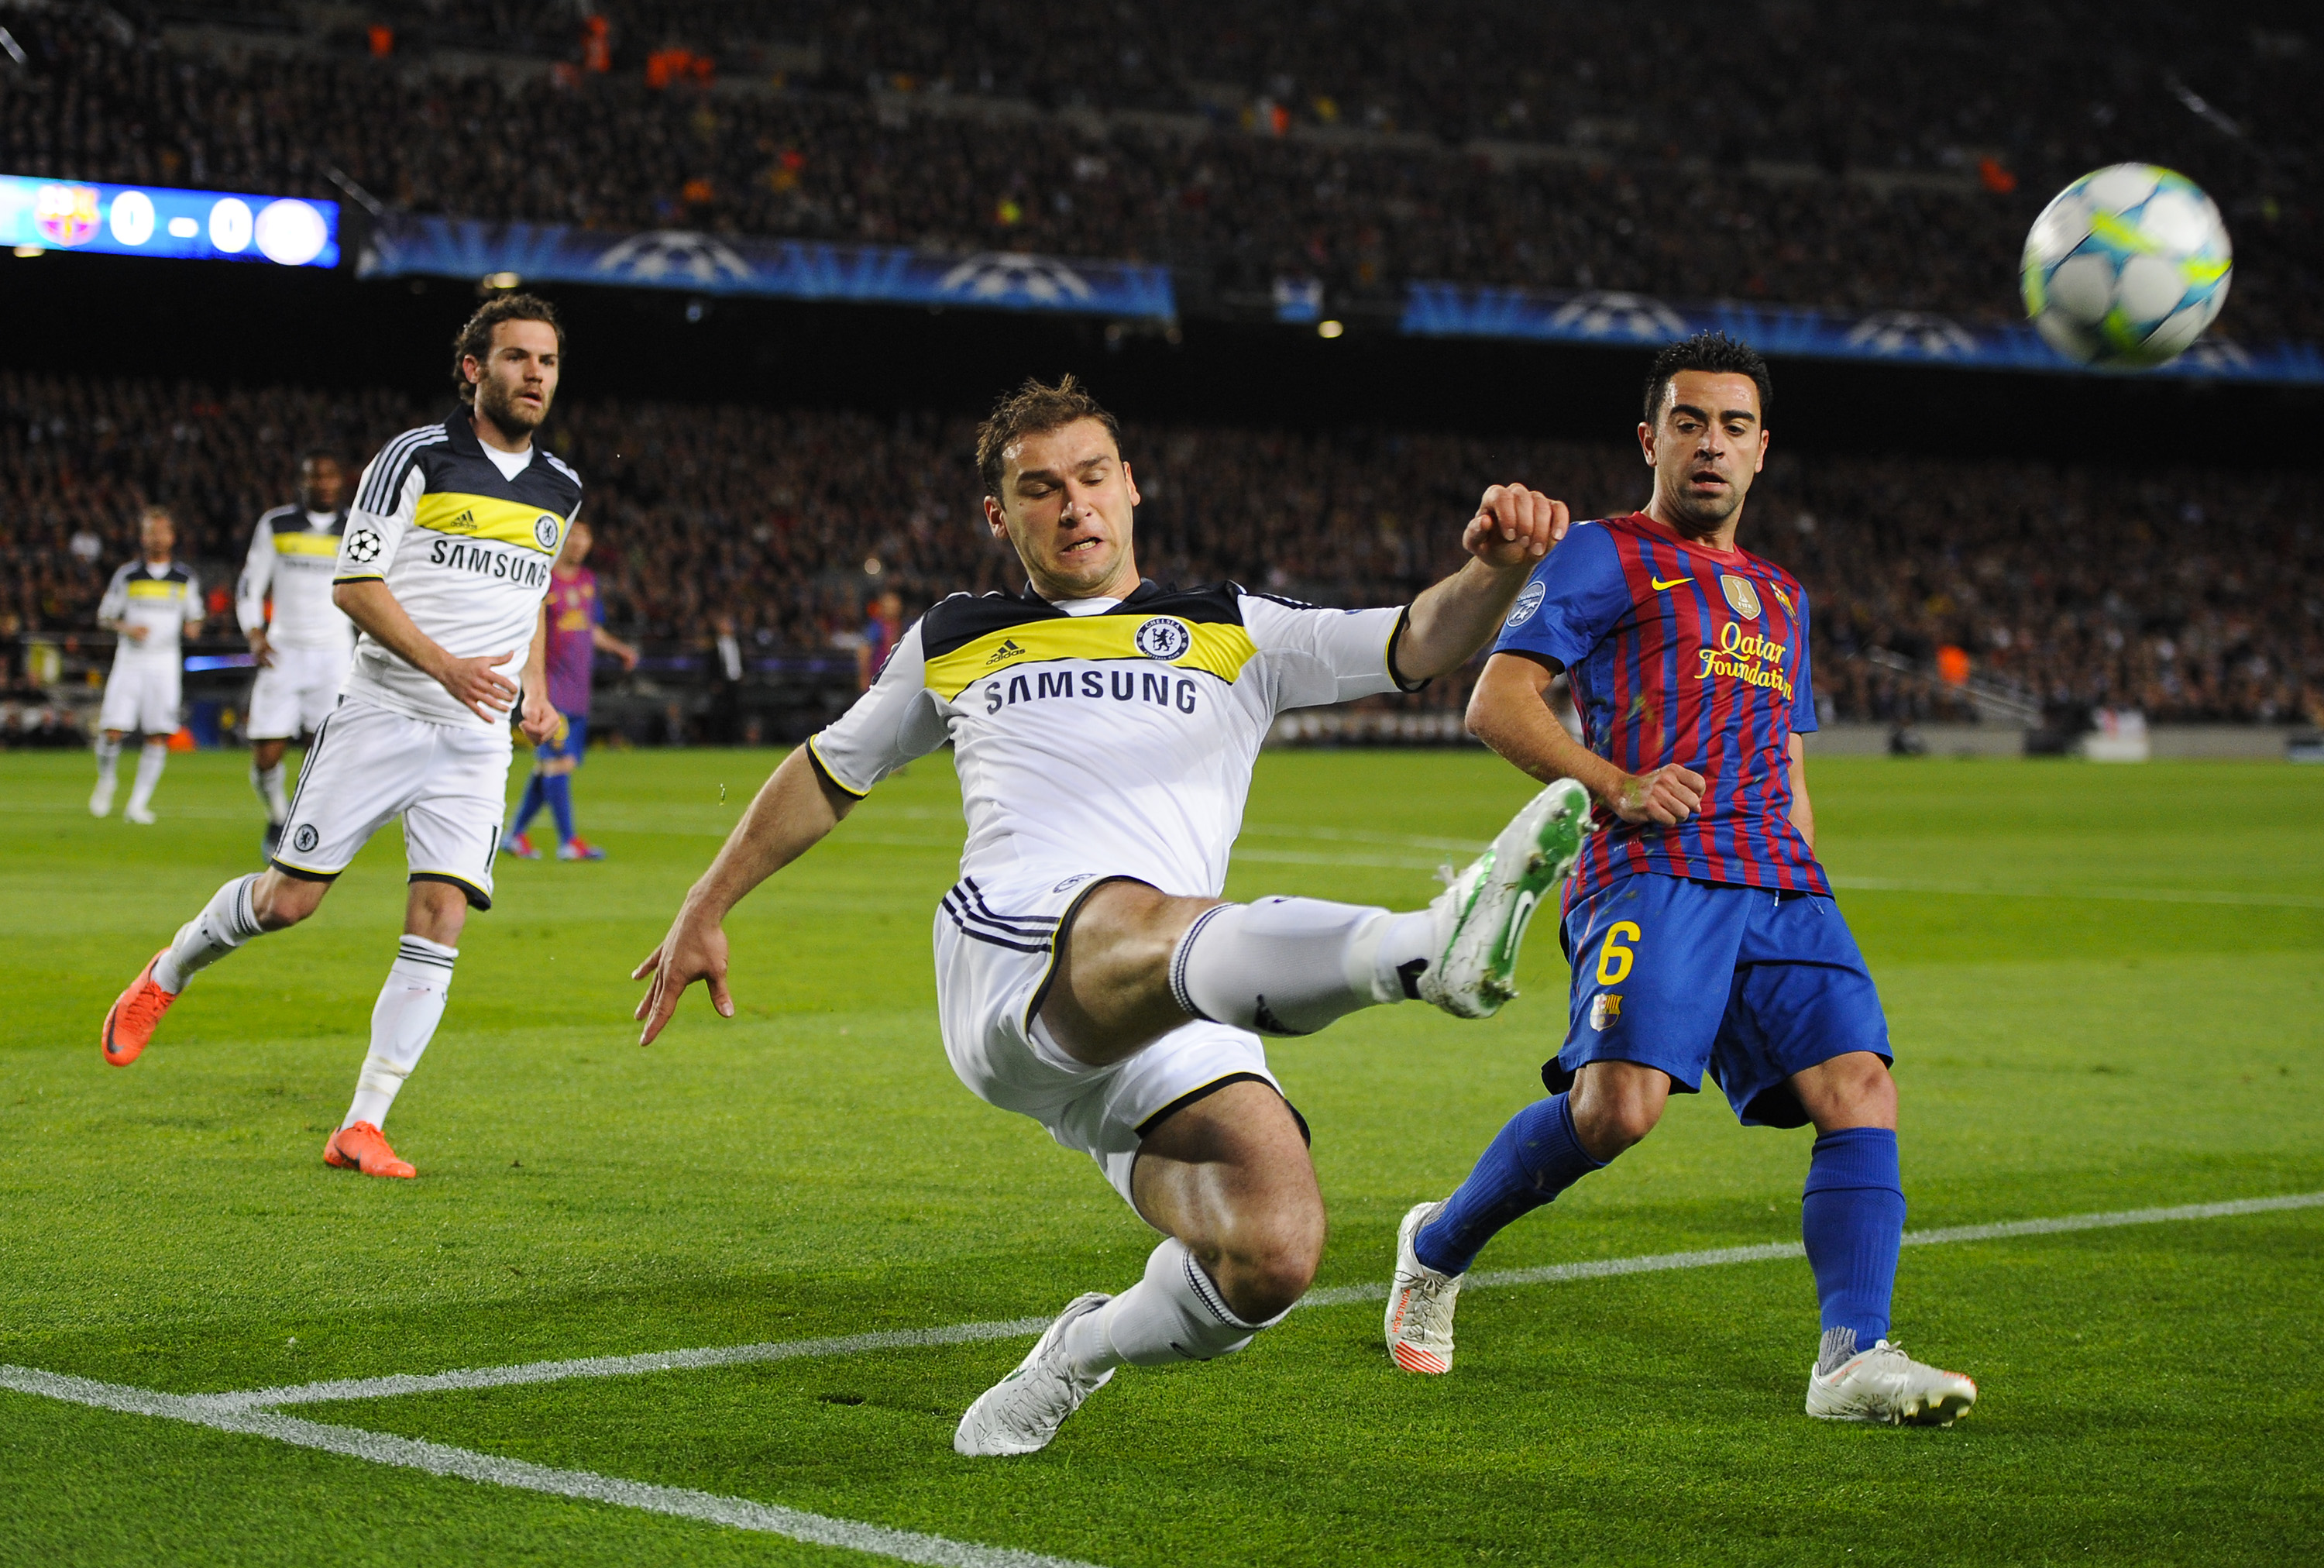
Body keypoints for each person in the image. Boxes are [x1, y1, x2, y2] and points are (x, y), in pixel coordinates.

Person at [631, 375, 1591, 1456]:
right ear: (1000, 518)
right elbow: (828, 769)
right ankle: (1422, 949)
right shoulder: (956, 636)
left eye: (1092, 478)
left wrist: (1494, 570)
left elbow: (1415, 639)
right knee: (1143, 914)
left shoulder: (1233, 626)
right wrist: (708, 903)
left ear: (1131, 486)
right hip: (1014, 958)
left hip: (1185, 986)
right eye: (1040, 490)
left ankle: (1075, 1356)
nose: (1074, 504)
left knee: (1270, 1257)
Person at [1380, 332, 1978, 1426]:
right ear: (1651, 440)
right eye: (1691, 424)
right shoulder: (1606, 554)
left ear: (1762, 452)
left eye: (1735, 427)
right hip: (1653, 869)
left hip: (1780, 881)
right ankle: (1435, 1246)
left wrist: (1805, 867)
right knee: (1616, 1114)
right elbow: (1495, 703)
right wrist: (1612, 781)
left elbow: (1786, 762)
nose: (1713, 446)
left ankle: (1851, 1356)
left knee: (1861, 1090)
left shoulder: (1783, 597)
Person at [98, 294, 579, 1181]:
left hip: (477, 737)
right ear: (474, 369)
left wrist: (536, 693)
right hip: (385, 713)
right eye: (516, 357)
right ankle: (169, 969)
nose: (535, 374)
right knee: (289, 902)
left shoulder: (560, 485)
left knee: (441, 917)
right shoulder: (414, 459)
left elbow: (532, 600)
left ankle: (363, 1123)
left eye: (547, 360)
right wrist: (443, 665)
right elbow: (355, 585)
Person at [237, 452, 353, 855]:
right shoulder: (276, 524)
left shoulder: (357, 526)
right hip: (282, 651)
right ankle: (277, 816)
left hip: (336, 654)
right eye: (312, 476)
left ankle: (308, 829)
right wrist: (254, 632)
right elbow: (250, 584)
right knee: (266, 753)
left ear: (341, 480)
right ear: (300, 481)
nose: (321, 483)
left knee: (326, 753)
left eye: (328, 475)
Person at [503, 519, 638, 861]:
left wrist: (619, 649)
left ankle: (516, 835)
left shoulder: (588, 582)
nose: (579, 543)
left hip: (579, 687)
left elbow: (590, 629)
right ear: (560, 540)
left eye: (585, 537)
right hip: (550, 687)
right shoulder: (541, 578)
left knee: (550, 765)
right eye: (573, 536)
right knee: (558, 762)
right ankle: (569, 841)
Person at [91, 505, 202, 824]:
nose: (157, 537)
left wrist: (194, 626)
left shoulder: (184, 578)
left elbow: (195, 614)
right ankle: (107, 780)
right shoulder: (128, 575)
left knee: (158, 733)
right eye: (151, 531)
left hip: (165, 662)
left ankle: (137, 804)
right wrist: (128, 628)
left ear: (172, 537)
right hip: (130, 660)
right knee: (113, 730)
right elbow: (105, 616)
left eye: (162, 531)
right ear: (142, 537)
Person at [857, 587, 904, 690]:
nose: (892, 606)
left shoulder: (904, 626)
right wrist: (864, 683)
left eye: (895, 602)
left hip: (899, 679)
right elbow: (864, 654)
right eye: (889, 603)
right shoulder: (875, 627)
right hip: (878, 680)